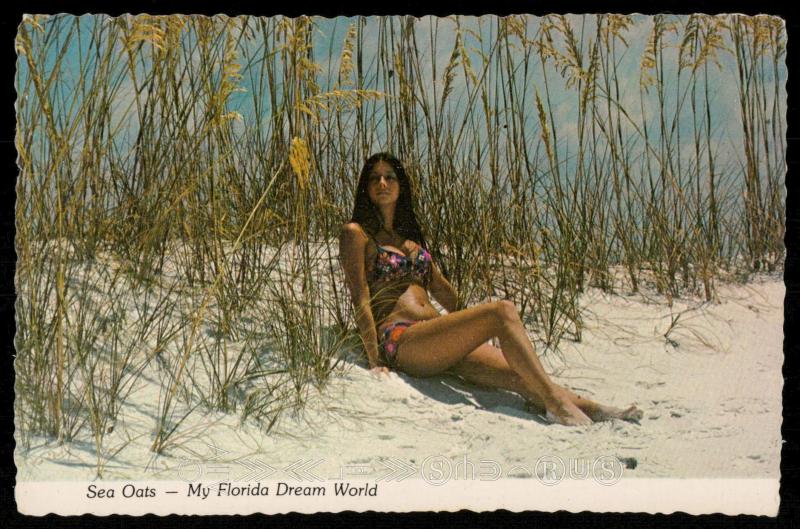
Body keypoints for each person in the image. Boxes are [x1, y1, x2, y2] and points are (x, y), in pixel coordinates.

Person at [339, 152, 643, 426]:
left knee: (520, 372)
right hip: (402, 338)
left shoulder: (411, 243)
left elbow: (447, 296)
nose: (382, 182)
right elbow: (360, 296)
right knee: (502, 311)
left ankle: (596, 409)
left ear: (401, 185)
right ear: (366, 188)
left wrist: (471, 328)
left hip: (437, 335)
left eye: (389, 177)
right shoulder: (357, 234)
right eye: (374, 177)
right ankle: (557, 406)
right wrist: (374, 359)